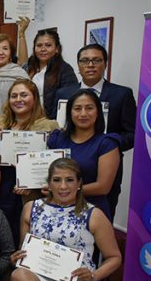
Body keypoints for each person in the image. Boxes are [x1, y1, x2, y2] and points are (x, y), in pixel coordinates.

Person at [55, 43, 137, 218]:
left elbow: (132, 134)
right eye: (85, 61)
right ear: (78, 65)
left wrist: (108, 145)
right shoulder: (63, 93)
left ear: (105, 64)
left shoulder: (121, 94)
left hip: (103, 168)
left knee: (101, 221)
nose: (90, 65)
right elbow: (53, 127)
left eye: (96, 60)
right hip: (66, 168)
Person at [0, 79, 58, 240]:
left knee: (26, 234)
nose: (18, 99)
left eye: (24, 95)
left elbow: (54, 164)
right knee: (1, 231)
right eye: (14, 96)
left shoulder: (49, 127)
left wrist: (33, 185)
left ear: (34, 98)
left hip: (32, 191)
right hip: (2, 183)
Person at [47, 89, 120, 221]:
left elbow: (103, 187)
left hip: (91, 212)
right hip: (57, 209)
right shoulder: (57, 138)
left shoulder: (107, 144)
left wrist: (64, 191)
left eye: (89, 108)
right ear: (70, 112)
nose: (83, 113)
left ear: (98, 112)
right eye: (77, 108)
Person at [18, 26, 78, 118]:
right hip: (25, 118)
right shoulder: (29, 66)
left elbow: (68, 101)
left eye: (48, 45)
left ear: (57, 49)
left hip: (49, 122)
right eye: (39, 45)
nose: (43, 49)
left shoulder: (65, 69)